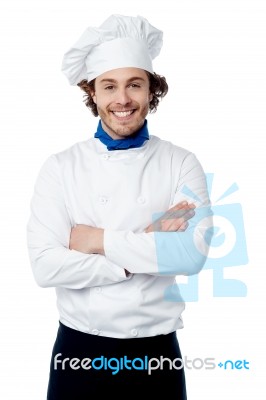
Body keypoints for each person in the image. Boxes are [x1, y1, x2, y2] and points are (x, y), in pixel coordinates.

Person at [26, 14, 213, 399]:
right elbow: (45, 266)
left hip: (156, 353)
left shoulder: (180, 162)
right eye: (109, 86)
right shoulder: (61, 167)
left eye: (134, 85)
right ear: (93, 93)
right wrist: (142, 247)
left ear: (151, 91)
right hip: (80, 352)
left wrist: (96, 239)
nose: (123, 99)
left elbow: (191, 255)